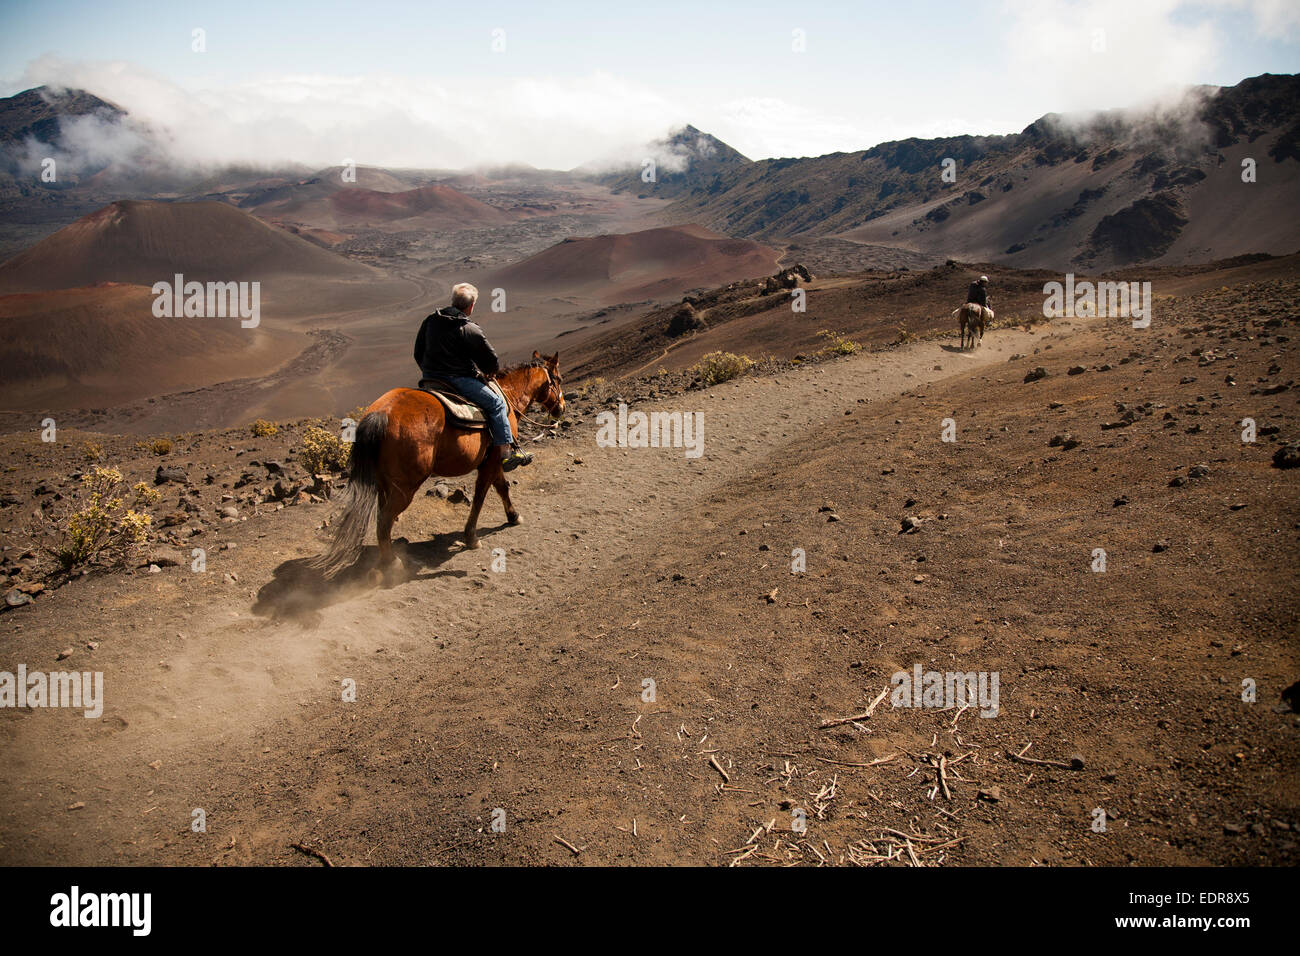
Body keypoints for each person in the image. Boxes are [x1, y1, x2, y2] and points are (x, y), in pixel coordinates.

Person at [413, 282, 532, 471]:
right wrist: (488, 372)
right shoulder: (469, 329)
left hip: (430, 379)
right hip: (457, 380)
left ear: (453, 301)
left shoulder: (430, 321)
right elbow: (491, 361)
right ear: (471, 306)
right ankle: (506, 454)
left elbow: (418, 352)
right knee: (497, 404)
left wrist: (429, 371)